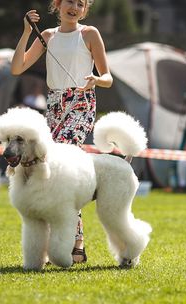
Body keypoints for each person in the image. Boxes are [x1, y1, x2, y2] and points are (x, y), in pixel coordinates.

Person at [11, 0, 113, 264]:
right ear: (57, 4)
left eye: (81, 4)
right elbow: (17, 67)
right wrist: (25, 32)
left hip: (81, 104)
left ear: (85, 9)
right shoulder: (46, 36)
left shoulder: (90, 34)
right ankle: (50, 243)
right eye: (70, 1)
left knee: (63, 170)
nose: (75, 7)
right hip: (54, 105)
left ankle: (75, 241)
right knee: (49, 173)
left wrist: (96, 80)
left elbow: (108, 77)